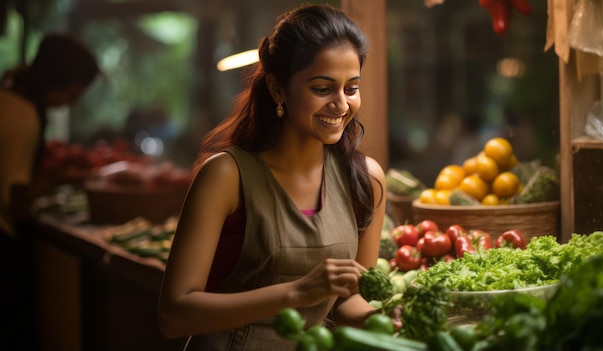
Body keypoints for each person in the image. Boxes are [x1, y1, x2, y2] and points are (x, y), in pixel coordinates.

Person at [157, 4, 387, 350]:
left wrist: (386, 321)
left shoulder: (365, 179)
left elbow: (348, 300)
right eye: (322, 88)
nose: (341, 104)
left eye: (351, 88)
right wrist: (297, 292)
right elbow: (173, 317)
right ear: (278, 90)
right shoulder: (226, 175)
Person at [0, 32, 100, 350]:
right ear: (61, 81)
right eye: (72, 95)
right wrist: (59, 180)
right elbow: (15, 203)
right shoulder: (24, 117)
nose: (69, 103)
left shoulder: (7, 99)